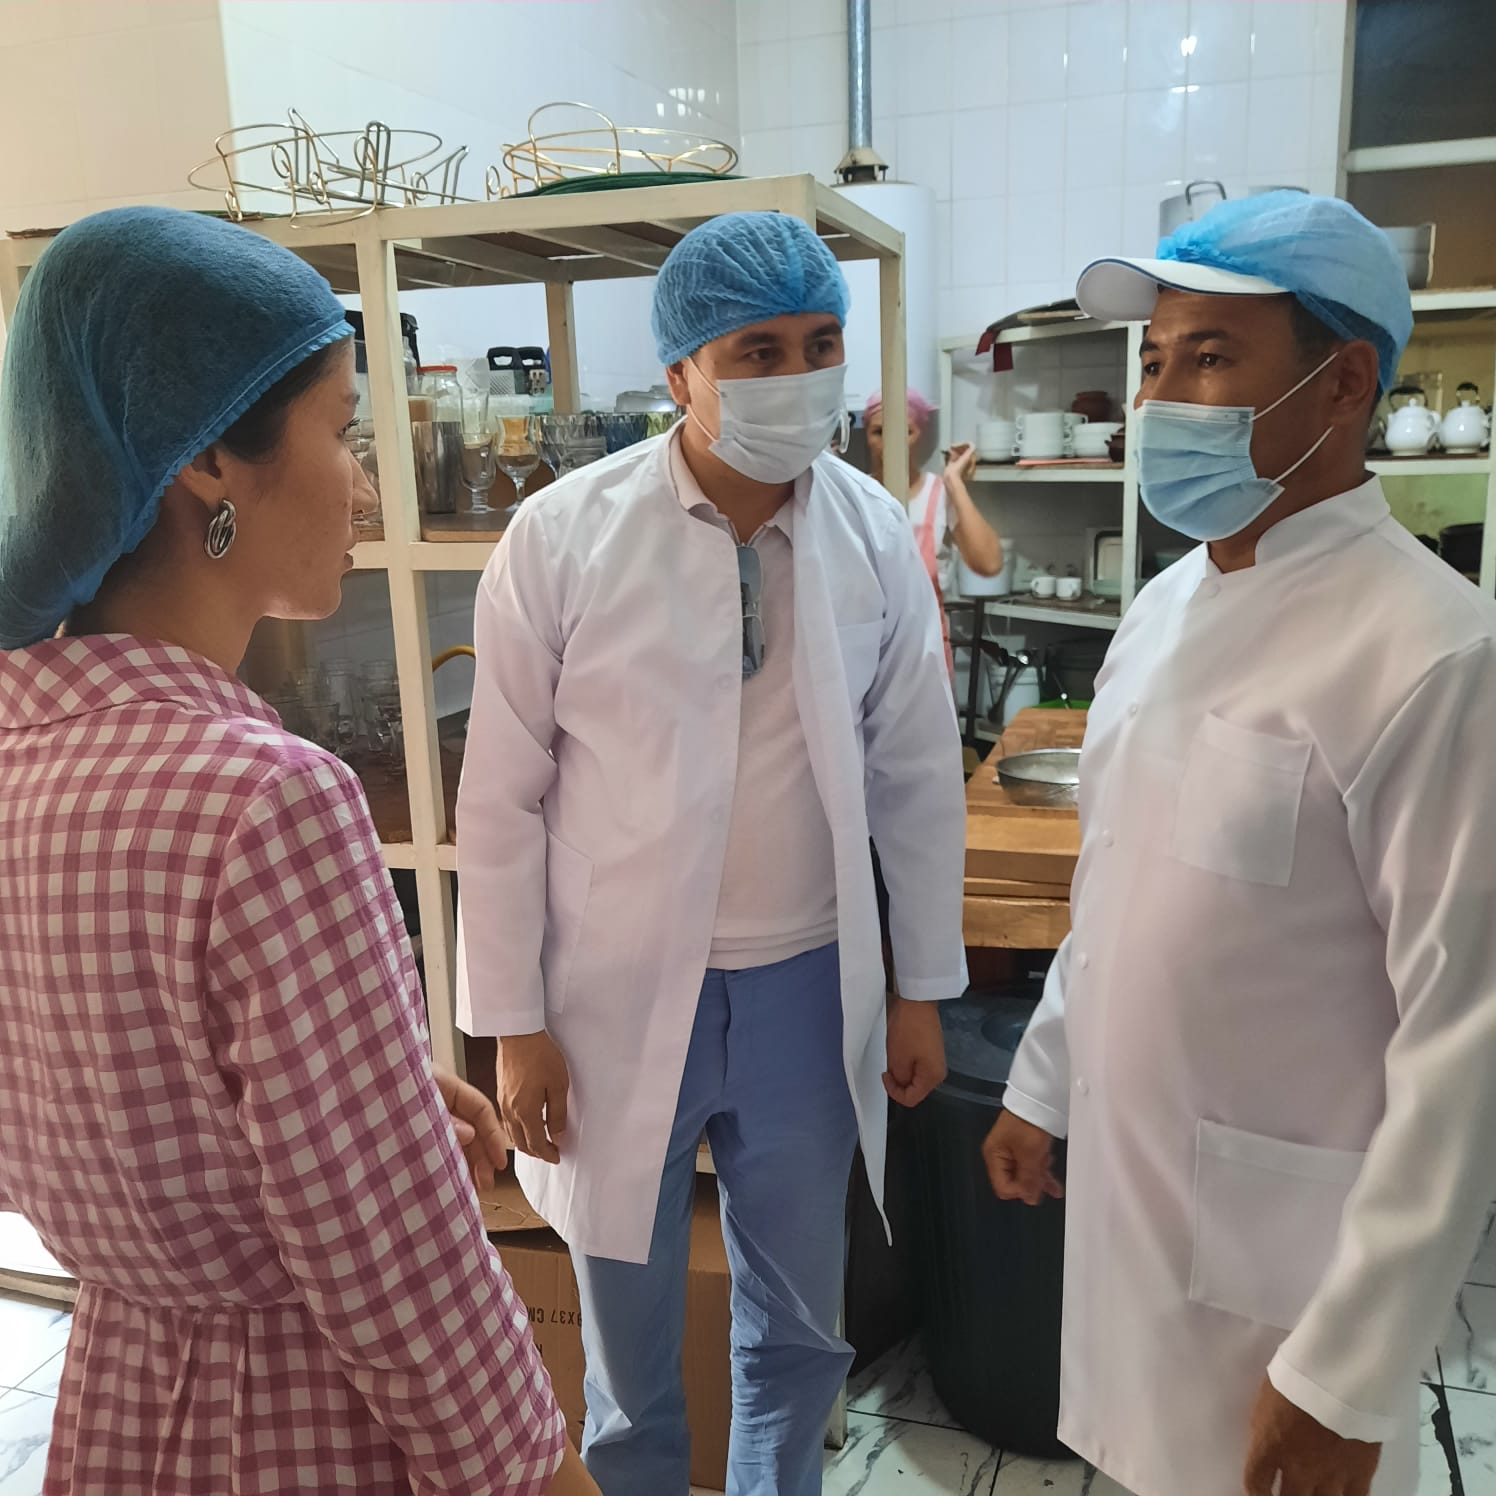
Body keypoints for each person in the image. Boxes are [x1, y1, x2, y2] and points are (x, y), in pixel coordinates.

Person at [0, 207, 599, 1496]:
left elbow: (81, 1087)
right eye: (341, 431)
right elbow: (403, 1276)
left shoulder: (24, 751)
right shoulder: (266, 801)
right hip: (300, 1415)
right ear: (213, 458)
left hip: (122, 1400)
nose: (367, 485)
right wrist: (552, 1477)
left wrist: (362, 1096)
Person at [981, 191, 1496, 1496]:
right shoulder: (1162, 607)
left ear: (1345, 384)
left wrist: (1346, 1370)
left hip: (1287, 1278)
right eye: (1155, 360)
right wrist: (1043, 1084)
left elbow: (1465, 1042)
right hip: (1139, 1217)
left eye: (1209, 357)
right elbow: (1118, 887)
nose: (1160, 399)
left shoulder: (1431, 653)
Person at [456, 211, 967, 1496]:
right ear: (680, 369)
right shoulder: (563, 536)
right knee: (626, 1339)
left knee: (797, 1321)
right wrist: (513, 1023)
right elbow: (501, 796)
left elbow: (914, 775)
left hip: (809, 982)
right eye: (757, 350)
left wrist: (919, 986)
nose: (798, 374)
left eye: (819, 343)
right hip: (617, 990)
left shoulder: (869, 534)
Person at [864, 388, 1004, 678]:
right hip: (867, 653)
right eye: (879, 432)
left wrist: (954, 481)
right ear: (866, 434)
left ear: (920, 435)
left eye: (905, 431)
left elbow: (989, 563)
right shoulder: (856, 495)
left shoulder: (937, 494)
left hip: (925, 656)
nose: (891, 443)